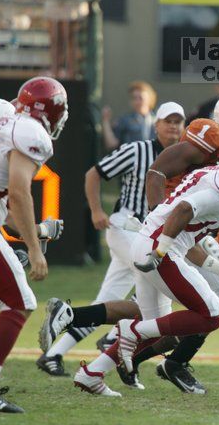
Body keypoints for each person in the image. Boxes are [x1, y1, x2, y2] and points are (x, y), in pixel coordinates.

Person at [72, 140, 219, 397]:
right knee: (212, 313)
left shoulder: (214, 173)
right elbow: (186, 208)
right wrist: (162, 250)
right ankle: (132, 329)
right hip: (160, 248)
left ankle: (92, 374)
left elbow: (206, 211)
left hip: (147, 240)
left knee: (159, 327)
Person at [35, 101, 186, 378]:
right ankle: (116, 337)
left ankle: (53, 354)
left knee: (107, 301)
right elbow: (94, 173)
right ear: (157, 124)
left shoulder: (184, 159)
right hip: (127, 229)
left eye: (178, 121)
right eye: (168, 121)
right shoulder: (137, 150)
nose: (174, 127)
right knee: (155, 281)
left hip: (145, 236)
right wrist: (96, 210)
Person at [0, 77, 67, 413]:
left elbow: (1, 206)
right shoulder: (30, 132)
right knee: (19, 302)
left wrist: (34, 232)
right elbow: (19, 193)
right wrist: (34, 250)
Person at [102, 81, 157, 150]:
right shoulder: (125, 120)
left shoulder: (158, 121)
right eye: (134, 98)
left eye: (141, 98)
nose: (137, 101)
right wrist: (105, 121)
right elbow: (111, 144)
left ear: (150, 98)